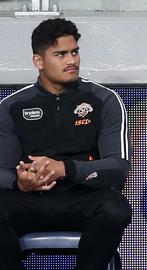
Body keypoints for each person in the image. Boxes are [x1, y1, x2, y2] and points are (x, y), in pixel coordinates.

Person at [0, 18, 132, 270]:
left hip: (83, 198)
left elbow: (118, 168)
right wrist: (18, 182)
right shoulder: (11, 107)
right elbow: (2, 170)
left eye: (75, 52)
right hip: (30, 199)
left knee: (116, 209)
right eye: (60, 54)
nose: (72, 60)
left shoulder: (104, 100)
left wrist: (65, 169)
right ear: (38, 61)